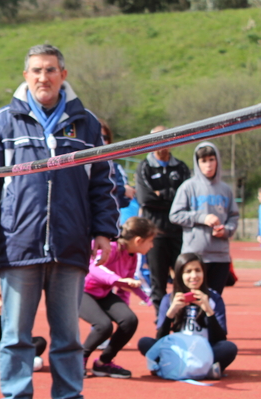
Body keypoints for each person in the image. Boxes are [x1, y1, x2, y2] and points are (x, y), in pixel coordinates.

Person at [0, 44, 119, 399]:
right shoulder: (4, 121)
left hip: (69, 244)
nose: (43, 77)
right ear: (26, 76)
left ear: (63, 75)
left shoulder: (85, 123)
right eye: (36, 70)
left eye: (50, 70)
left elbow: (103, 182)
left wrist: (104, 230)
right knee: (16, 334)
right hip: (19, 244)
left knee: (67, 336)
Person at [137, 252, 238, 378]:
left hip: (204, 351)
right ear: (179, 275)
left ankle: (189, 368)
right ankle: (202, 370)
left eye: (198, 270)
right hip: (179, 351)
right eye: (188, 271)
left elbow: (220, 339)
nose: (194, 276)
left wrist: (208, 311)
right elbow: (160, 339)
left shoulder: (214, 298)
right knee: (145, 342)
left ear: (204, 273)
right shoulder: (169, 299)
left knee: (229, 348)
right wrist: (171, 313)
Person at [80, 217, 155, 379]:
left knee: (129, 320)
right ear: (138, 240)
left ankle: (104, 363)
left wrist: (124, 308)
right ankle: (78, 360)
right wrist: (117, 280)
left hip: (103, 293)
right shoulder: (112, 247)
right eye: (150, 241)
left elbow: (125, 287)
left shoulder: (132, 256)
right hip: (82, 292)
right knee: (103, 325)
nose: (152, 246)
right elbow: (94, 267)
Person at [169, 142, 239, 295]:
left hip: (220, 256)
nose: (208, 164)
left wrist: (226, 230)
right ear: (197, 162)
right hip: (195, 254)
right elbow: (175, 215)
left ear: (217, 161)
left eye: (211, 159)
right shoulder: (188, 187)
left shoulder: (225, 189)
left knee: (213, 301)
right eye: (203, 160)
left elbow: (234, 216)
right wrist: (202, 217)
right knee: (193, 300)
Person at [136, 126, 191, 314]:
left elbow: (187, 197)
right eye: (157, 139)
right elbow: (145, 199)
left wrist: (162, 194)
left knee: (183, 278)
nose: (161, 143)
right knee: (157, 281)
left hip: (179, 231)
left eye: (166, 138)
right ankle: (161, 321)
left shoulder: (181, 167)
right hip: (155, 234)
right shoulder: (145, 167)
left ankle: (180, 318)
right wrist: (171, 196)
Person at [0, 272, 47, 373]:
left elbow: (22, 332)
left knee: (40, 342)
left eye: (6, 295)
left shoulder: (14, 303)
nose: (3, 300)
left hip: (13, 346)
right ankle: (19, 364)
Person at [98, 119, 135, 210]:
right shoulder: (78, 167)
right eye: (99, 137)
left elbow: (125, 200)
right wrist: (122, 190)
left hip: (107, 218)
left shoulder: (116, 168)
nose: (103, 141)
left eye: (105, 137)